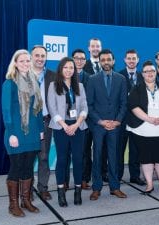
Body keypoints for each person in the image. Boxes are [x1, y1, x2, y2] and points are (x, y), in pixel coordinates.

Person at [2, 49, 43, 217]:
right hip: (16, 133)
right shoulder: (9, 83)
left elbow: (38, 110)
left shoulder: (35, 81)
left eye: (28, 61)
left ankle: (26, 201)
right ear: (15, 63)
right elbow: (6, 110)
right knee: (16, 168)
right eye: (22, 61)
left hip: (33, 132)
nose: (25, 64)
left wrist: (41, 130)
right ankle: (13, 205)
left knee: (28, 168)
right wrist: (11, 132)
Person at [127, 60, 159, 193]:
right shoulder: (136, 89)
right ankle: (149, 184)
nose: (150, 73)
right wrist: (149, 119)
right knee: (146, 157)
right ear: (142, 74)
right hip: (143, 129)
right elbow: (133, 107)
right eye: (146, 71)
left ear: (155, 73)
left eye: (152, 71)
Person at [87, 49, 127, 201]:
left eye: (108, 59)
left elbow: (124, 104)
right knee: (97, 157)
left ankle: (114, 187)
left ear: (113, 61)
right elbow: (89, 105)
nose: (106, 62)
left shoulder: (121, 79)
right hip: (98, 126)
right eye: (103, 60)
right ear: (99, 61)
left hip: (115, 126)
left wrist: (117, 121)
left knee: (114, 156)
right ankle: (96, 188)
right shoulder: (92, 79)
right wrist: (101, 121)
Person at [47, 57, 88, 207]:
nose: (69, 70)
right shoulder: (53, 85)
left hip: (78, 126)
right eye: (66, 67)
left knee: (78, 159)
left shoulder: (80, 86)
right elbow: (52, 108)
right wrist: (65, 125)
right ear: (61, 69)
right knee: (62, 159)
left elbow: (84, 107)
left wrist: (76, 124)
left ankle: (78, 190)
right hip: (60, 127)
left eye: (71, 68)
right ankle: (61, 192)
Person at [31, 45, 56, 200]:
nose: (40, 59)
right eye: (37, 56)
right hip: (27, 124)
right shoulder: (23, 74)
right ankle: (26, 190)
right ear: (31, 57)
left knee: (44, 156)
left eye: (43, 56)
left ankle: (43, 187)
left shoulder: (53, 76)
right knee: (27, 158)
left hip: (46, 122)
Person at [64, 49, 91, 190]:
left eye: (82, 58)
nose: (79, 61)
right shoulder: (64, 77)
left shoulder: (91, 77)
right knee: (66, 152)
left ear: (85, 61)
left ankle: (84, 179)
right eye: (76, 58)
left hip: (83, 121)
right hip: (66, 121)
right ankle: (65, 180)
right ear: (72, 60)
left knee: (84, 151)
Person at [118, 49, 145, 185]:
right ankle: (117, 176)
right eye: (129, 58)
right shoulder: (118, 75)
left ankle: (135, 176)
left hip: (137, 120)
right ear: (124, 60)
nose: (131, 61)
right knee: (119, 149)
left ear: (138, 60)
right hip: (122, 119)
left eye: (134, 58)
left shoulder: (143, 76)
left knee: (135, 150)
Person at [83, 38, 109, 182]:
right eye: (92, 46)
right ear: (89, 48)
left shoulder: (108, 66)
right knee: (86, 148)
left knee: (104, 147)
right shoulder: (82, 67)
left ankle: (103, 173)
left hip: (104, 117)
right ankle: (86, 176)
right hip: (87, 117)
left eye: (97, 46)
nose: (95, 49)